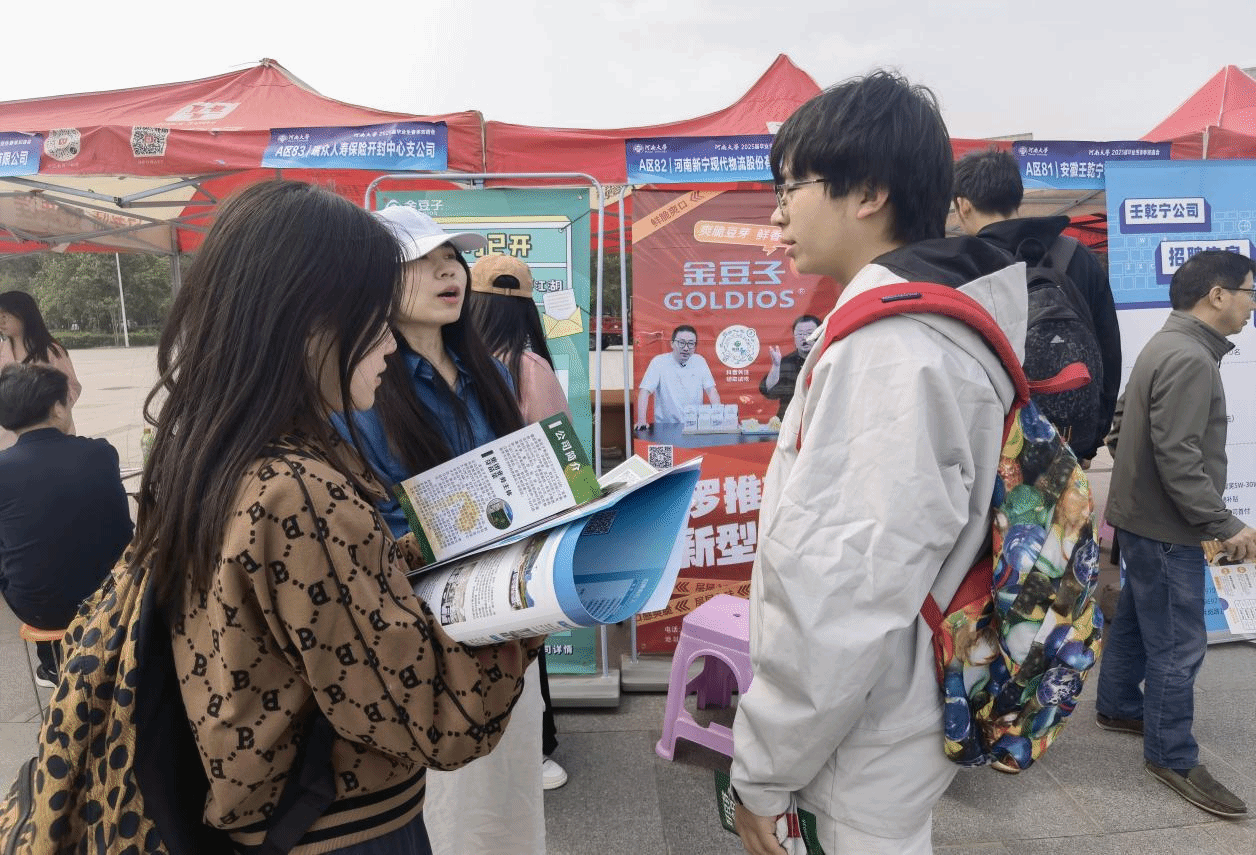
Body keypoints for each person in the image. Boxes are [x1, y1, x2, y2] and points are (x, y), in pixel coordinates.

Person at [132, 180, 540, 854]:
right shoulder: (297, 488)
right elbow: (439, 715)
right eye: (374, 318)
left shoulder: (218, 451)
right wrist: (531, 600)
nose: (389, 345)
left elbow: (332, 597)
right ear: (308, 321)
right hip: (344, 826)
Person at [728, 71, 1027, 855]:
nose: (778, 211)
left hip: (857, 740)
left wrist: (762, 770)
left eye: (792, 185)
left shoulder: (891, 352)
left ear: (868, 193)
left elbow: (842, 593)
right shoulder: (928, 324)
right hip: (892, 711)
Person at [339, 209, 548, 855]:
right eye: (423, 262)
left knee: (509, 798)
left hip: (508, 616)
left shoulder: (489, 371)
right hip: (429, 632)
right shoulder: (363, 384)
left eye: (452, 258)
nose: (447, 272)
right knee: (447, 807)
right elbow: (367, 518)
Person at [1096, 249, 1256, 820]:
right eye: (1249, 292)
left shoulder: (1165, 343)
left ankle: (1118, 705)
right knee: (1178, 645)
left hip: (1141, 518)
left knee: (1137, 617)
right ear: (1217, 294)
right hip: (1166, 529)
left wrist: (1139, 486)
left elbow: (1120, 429)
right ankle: (1171, 757)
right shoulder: (1190, 357)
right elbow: (1179, 456)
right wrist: (1225, 524)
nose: (1251, 305)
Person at [468, 252, 574, 791]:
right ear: (528, 312)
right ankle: (537, 748)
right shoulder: (529, 368)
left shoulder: (450, 364)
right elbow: (564, 459)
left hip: (458, 532)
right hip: (520, 532)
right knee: (524, 638)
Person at [952, 148, 1121, 463]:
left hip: (990, 452)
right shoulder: (1076, 256)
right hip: (1066, 444)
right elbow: (1108, 351)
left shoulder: (959, 267)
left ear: (962, 205)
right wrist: (1089, 440)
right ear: (1017, 198)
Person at [0, 362, 131, 686]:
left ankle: (53, 666)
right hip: (113, 596)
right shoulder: (101, 453)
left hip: (38, 608)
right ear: (58, 408)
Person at [0, 290, 82, 450]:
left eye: (5, 315)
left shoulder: (51, 351)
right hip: (7, 439)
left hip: (48, 435)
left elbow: (72, 388)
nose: (0, 321)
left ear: (24, 315)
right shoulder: (1, 351)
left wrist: (47, 410)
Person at [633, 325, 720, 429]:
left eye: (691, 344)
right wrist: (642, 420)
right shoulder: (659, 362)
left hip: (694, 426)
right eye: (681, 343)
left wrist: (719, 417)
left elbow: (711, 390)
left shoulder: (699, 361)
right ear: (672, 343)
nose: (686, 348)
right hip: (666, 426)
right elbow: (644, 391)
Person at [758, 314, 820, 419]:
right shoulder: (786, 362)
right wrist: (776, 366)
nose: (804, 337)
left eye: (809, 333)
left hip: (818, 418)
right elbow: (767, 390)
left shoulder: (828, 359)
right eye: (800, 334)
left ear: (819, 335)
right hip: (790, 419)